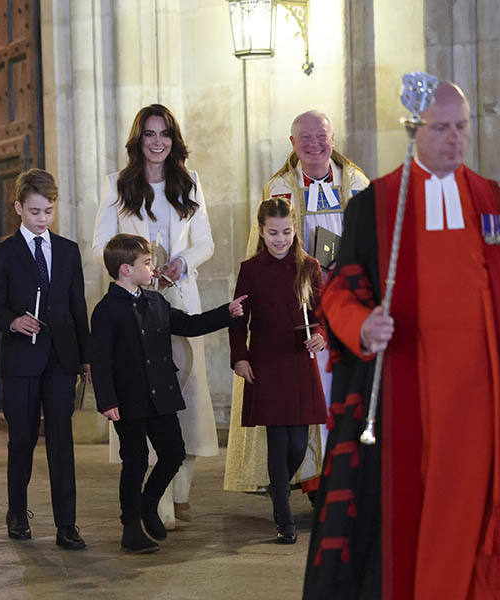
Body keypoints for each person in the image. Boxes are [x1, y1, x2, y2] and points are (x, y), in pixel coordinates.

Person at [305, 81, 500, 599]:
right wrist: (363, 326)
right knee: (409, 514)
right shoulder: (376, 205)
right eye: (442, 127)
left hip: (483, 402)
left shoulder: (491, 200)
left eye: (462, 126)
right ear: (415, 129)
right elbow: (340, 290)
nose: (455, 138)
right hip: (407, 396)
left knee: (476, 509)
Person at [224, 110, 370, 496]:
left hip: (350, 301)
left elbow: (376, 240)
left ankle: (347, 474)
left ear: (333, 138)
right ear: (292, 143)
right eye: (304, 138)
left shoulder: (357, 183)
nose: (314, 144)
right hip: (303, 305)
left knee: (346, 388)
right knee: (310, 389)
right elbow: (265, 253)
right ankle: (310, 478)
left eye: (320, 135)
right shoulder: (279, 189)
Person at [92, 104, 216, 528]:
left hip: (180, 300)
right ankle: (153, 504)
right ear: (138, 140)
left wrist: (182, 262)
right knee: (144, 400)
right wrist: (133, 267)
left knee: (187, 403)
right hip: (135, 308)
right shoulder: (118, 185)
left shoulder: (190, 183)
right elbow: (98, 246)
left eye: (164, 133)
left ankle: (179, 492)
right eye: (149, 134)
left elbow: (206, 242)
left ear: (173, 139)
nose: (157, 141)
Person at [90, 234, 243, 553]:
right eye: (146, 263)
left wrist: (226, 313)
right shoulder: (106, 311)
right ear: (125, 270)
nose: (153, 267)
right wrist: (107, 401)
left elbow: (190, 325)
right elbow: (101, 361)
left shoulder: (156, 302)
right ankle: (130, 527)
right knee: (135, 461)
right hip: (128, 401)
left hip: (160, 395)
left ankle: (149, 505)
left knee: (173, 453)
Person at [0, 169, 89, 550]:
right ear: (18, 208)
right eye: (34, 212)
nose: (42, 219)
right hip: (21, 360)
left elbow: (78, 306)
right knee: (22, 439)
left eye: (48, 211)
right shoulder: (3, 253)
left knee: (61, 441)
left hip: (61, 359)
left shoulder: (67, 250)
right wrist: (13, 320)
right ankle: (17, 511)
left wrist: (86, 357)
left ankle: (67, 524)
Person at [229, 197, 326, 543]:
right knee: (277, 442)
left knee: (297, 445)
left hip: (299, 361)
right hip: (267, 361)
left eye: (286, 232)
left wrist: (320, 335)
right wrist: (240, 357)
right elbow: (238, 320)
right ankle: (284, 520)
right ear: (261, 231)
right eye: (273, 233)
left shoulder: (310, 266)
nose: (280, 239)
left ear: (295, 229)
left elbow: (321, 314)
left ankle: (279, 486)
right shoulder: (251, 269)